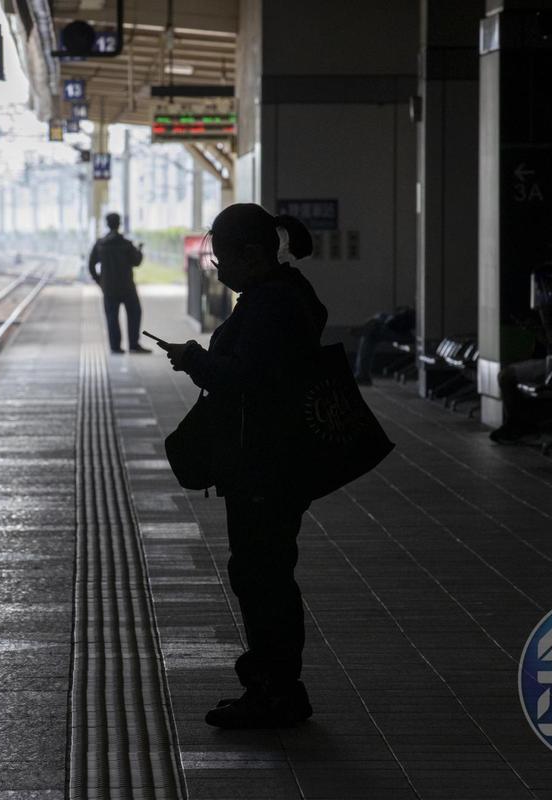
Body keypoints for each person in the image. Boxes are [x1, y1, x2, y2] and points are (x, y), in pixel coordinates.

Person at [160, 203, 325, 729]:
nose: (216, 268)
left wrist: (194, 360)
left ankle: (274, 691)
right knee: (265, 572)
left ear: (251, 255)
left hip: (264, 465)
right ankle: (275, 686)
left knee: (262, 577)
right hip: (275, 460)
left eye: (222, 257)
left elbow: (245, 377)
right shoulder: (287, 294)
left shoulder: (269, 306)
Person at [489, 258, 552, 443]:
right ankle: (518, 422)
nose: (543, 291)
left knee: (506, 376)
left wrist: (545, 321)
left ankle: (516, 425)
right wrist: (537, 330)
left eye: (546, 285)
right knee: (509, 372)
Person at [88, 212, 148, 354]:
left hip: (109, 288)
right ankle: (133, 344)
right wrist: (139, 250)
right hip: (127, 287)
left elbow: (91, 265)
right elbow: (136, 261)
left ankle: (115, 347)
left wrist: (100, 281)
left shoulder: (101, 244)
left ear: (107, 224)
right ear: (119, 224)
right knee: (135, 313)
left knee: (111, 317)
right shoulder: (126, 244)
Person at [350, 306, 415, 385]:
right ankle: (369, 327)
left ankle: (362, 375)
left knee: (372, 331)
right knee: (379, 318)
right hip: (404, 327)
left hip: (412, 334)